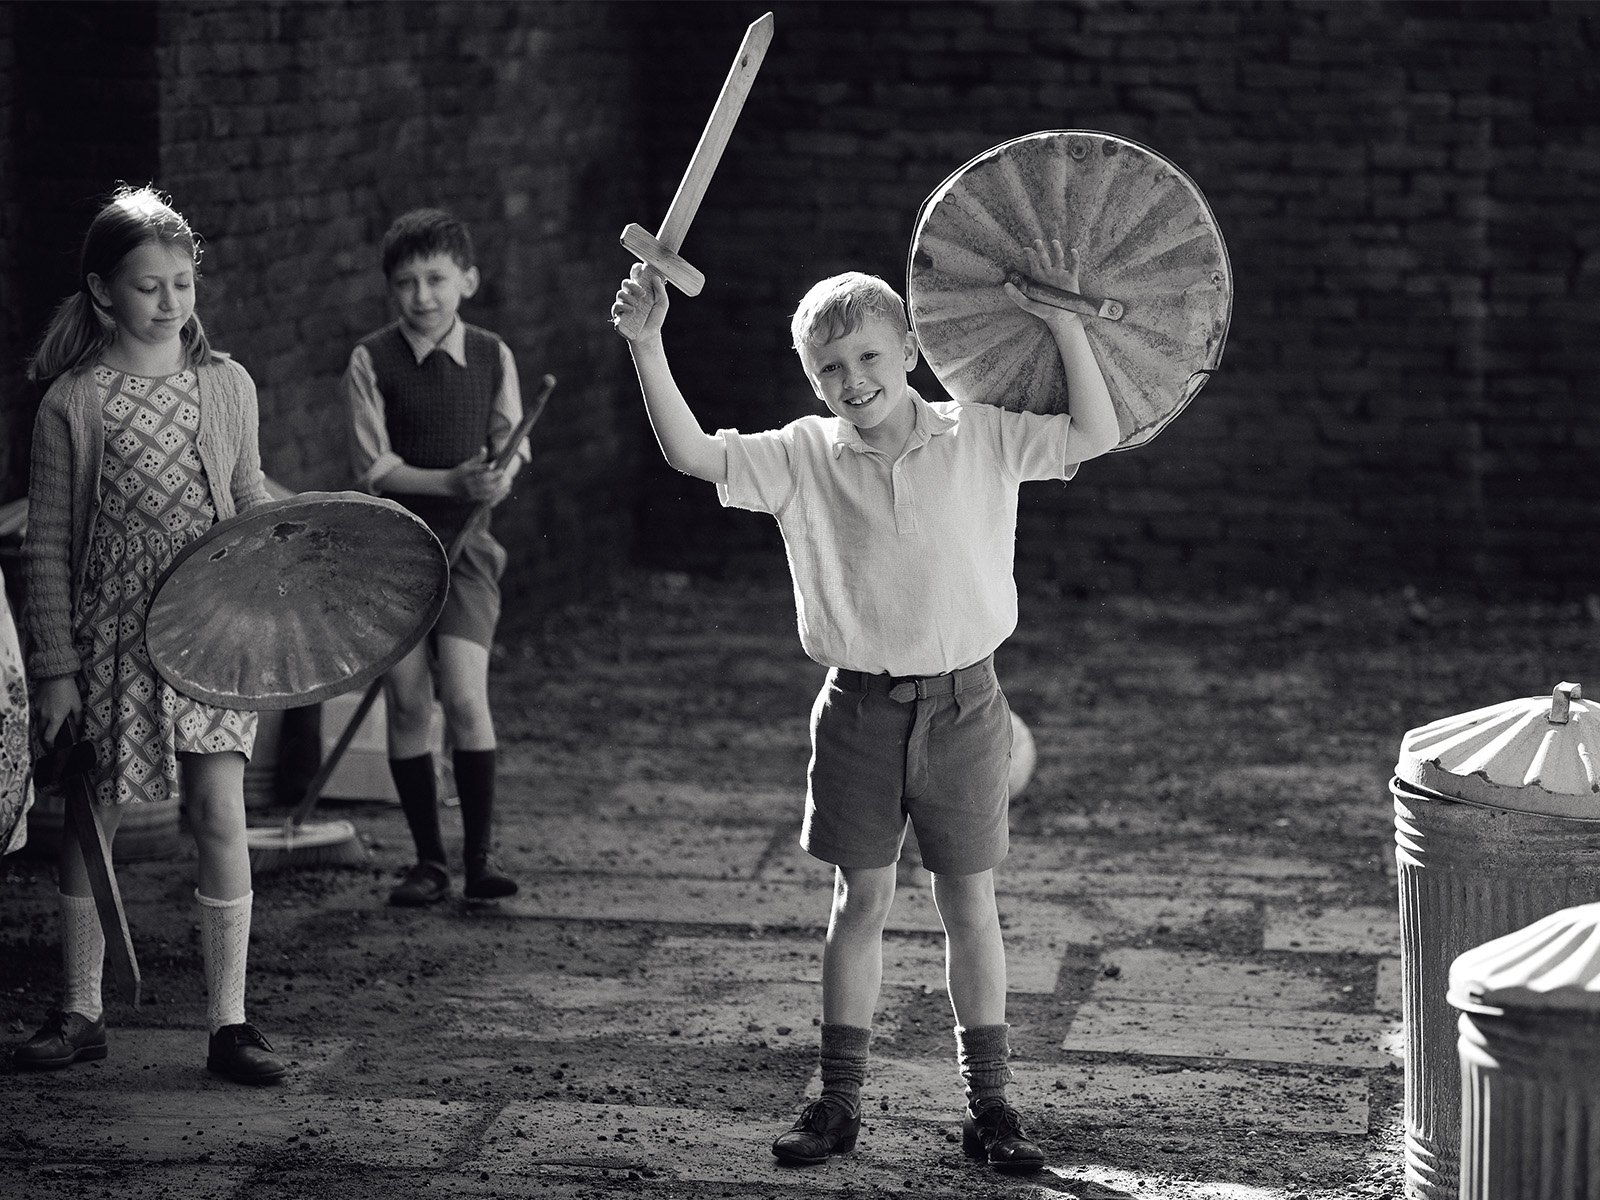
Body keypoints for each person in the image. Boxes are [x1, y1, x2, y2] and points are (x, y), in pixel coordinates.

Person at [609, 239, 1119, 1175]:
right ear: (810, 379)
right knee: (862, 901)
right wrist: (649, 346)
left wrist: (1065, 324)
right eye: (830, 368)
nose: (853, 380)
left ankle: (992, 1107)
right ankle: (837, 1102)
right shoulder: (803, 456)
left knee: (971, 903)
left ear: (912, 351)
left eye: (871, 358)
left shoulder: (984, 433)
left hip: (969, 708)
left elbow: (1095, 434)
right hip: (856, 711)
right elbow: (690, 453)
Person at [14, 185, 286, 1083]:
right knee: (93, 820)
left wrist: (293, 550)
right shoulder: (72, 403)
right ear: (102, 293)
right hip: (113, 638)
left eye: (182, 282)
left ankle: (230, 1024)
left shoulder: (227, 385)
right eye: (147, 286)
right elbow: (46, 544)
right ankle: (81, 1009)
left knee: (219, 811)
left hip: (210, 628)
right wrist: (56, 669)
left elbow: (246, 497)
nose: (170, 302)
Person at [344, 208, 529, 907]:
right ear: (390, 290)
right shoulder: (371, 360)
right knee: (407, 701)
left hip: (468, 550)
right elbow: (374, 469)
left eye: (436, 279)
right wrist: (450, 480)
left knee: (465, 694)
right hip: (390, 551)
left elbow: (512, 447)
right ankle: (428, 862)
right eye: (406, 283)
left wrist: (493, 477)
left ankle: (479, 858)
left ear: (467, 280)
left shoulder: (493, 354)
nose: (422, 296)